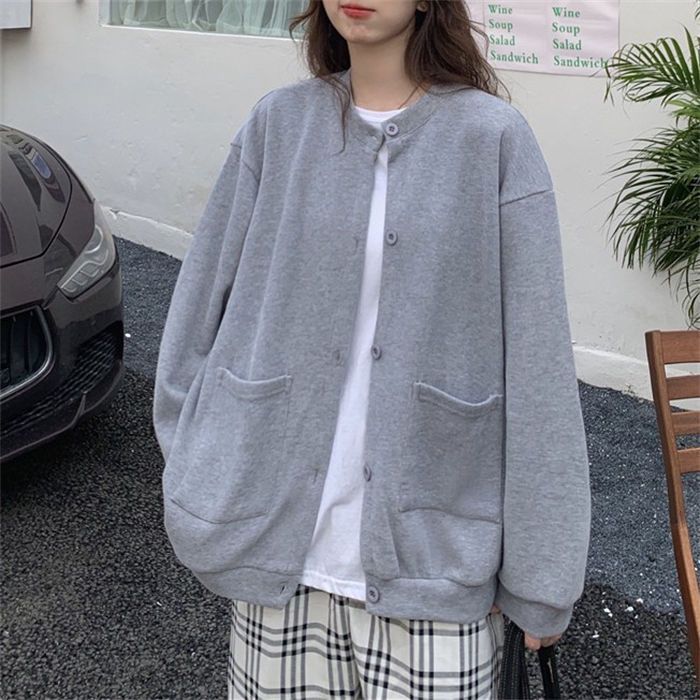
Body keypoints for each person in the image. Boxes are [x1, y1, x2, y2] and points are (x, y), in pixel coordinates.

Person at [152, 1, 592, 698]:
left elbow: (539, 367)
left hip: (436, 564)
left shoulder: (492, 139)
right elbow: (196, 311)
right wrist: (198, 463)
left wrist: (543, 576)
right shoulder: (278, 125)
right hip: (279, 557)